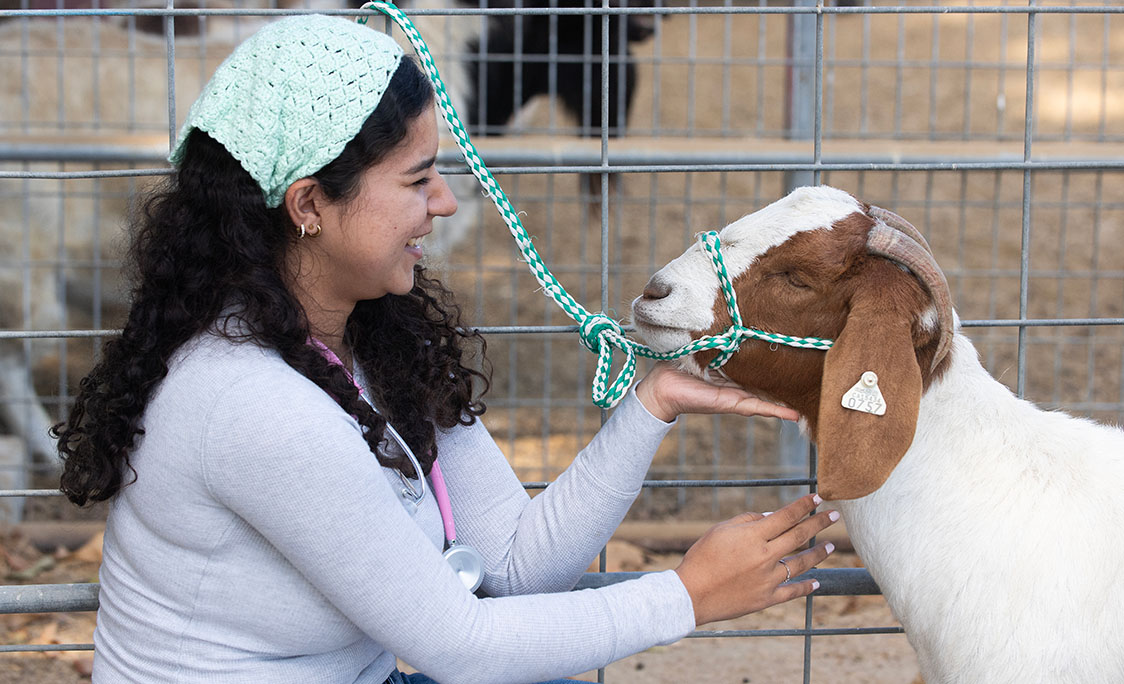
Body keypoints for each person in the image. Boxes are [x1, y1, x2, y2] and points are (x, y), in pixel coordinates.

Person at [54, 14, 838, 684]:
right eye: (417, 179)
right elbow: (460, 647)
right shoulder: (252, 404)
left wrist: (652, 404)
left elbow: (514, 569)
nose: (446, 202)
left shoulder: (369, 339)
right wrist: (689, 594)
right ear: (309, 205)